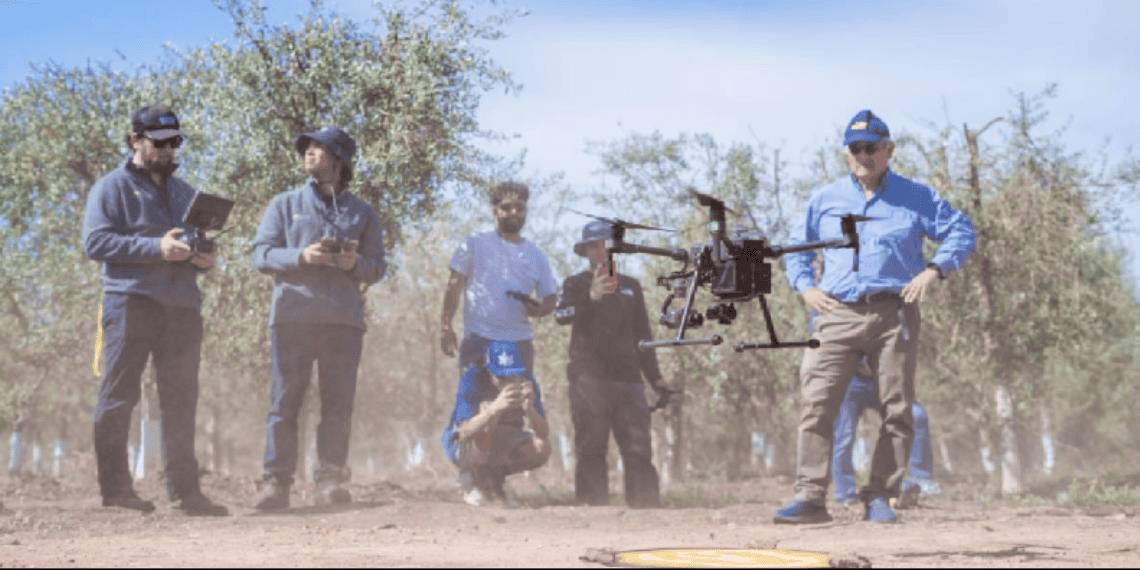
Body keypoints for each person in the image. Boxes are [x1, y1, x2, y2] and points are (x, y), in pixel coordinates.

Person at [775, 109, 975, 524]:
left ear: (889, 150)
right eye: (855, 148)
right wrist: (805, 288)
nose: (862, 155)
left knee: (898, 409)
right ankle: (811, 497)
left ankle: (881, 494)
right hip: (835, 314)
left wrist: (935, 270)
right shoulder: (825, 198)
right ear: (847, 152)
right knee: (816, 403)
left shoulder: (916, 196)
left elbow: (962, 230)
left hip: (894, 313)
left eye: (871, 148)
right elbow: (797, 248)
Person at [83, 105, 228, 516]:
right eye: (159, 143)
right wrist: (156, 247)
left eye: (175, 143)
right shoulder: (109, 188)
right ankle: (116, 492)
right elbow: (96, 243)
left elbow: (197, 241)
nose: (167, 151)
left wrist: (204, 256)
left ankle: (186, 493)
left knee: (181, 399)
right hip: (129, 301)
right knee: (118, 396)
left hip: (182, 306)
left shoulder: (186, 193)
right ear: (135, 141)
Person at [250, 126, 387, 510]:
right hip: (293, 317)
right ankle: (276, 485)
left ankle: (330, 483)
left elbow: (378, 267)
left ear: (340, 160)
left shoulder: (363, 212)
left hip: (343, 322)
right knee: (284, 403)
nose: (309, 154)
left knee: (338, 405)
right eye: (306, 149)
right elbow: (260, 254)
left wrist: (354, 263)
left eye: (318, 149)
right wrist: (299, 257)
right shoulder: (283, 204)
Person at [554, 220, 669, 508]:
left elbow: (643, 336)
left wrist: (655, 379)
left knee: (638, 449)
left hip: (629, 381)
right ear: (586, 250)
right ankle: (593, 510)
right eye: (593, 245)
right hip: (588, 379)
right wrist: (590, 298)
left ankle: (646, 512)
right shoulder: (575, 284)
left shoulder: (631, 286)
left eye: (605, 244)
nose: (600, 250)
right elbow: (561, 315)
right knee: (591, 448)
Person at [439, 181, 559, 377]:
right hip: (478, 340)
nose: (513, 212)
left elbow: (550, 299)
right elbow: (453, 287)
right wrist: (446, 325)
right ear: (494, 210)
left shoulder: (536, 255)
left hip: (519, 343)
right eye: (506, 207)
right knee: (472, 404)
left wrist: (541, 309)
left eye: (519, 208)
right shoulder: (473, 243)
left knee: (522, 405)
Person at [441, 339, 551, 506]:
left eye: (512, 374)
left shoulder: (526, 381)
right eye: (501, 376)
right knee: (486, 422)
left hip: (502, 441)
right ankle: (472, 477)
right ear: (488, 370)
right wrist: (494, 409)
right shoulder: (472, 380)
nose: (508, 381)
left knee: (541, 447)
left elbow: (543, 434)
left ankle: (494, 481)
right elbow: (463, 433)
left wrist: (530, 410)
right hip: (462, 446)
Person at [831, 372, 939, 507]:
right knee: (844, 434)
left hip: (886, 375)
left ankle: (922, 481)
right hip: (851, 377)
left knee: (917, 415)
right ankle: (845, 492)